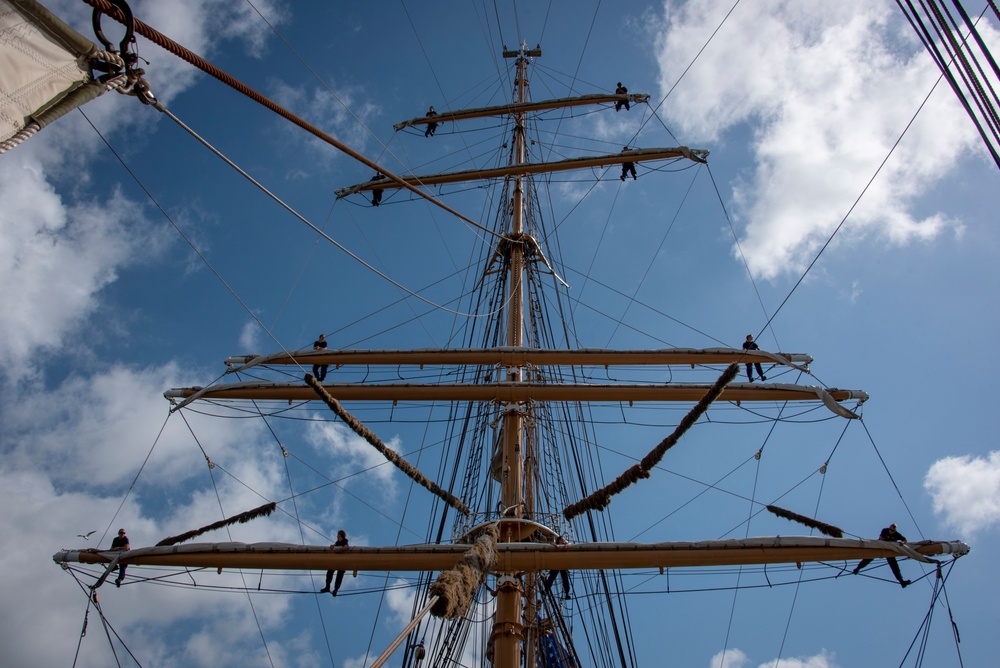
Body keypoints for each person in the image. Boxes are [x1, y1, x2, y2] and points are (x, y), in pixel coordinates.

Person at [852, 523, 912, 587]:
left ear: (895, 531)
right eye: (890, 529)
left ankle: (901, 581)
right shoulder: (885, 530)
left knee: (894, 566)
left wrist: (902, 542)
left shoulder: (897, 534)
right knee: (868, 558)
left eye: (892, 531)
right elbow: (881, 538)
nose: (890, 531)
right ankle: (857, 568)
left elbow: (905, 540)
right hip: (880, 546)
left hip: (889, 550)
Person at [320, 530, 349, 596]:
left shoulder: (344, 541)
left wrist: (340, 549)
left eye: (338, 534)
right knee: (329, 573)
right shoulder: (338, 542)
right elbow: (334, 545)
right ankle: (327, 587)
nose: (337, 535)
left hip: (342, 561)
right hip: (336, 560)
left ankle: (335, 589)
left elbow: (347, 547)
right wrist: (332, 546)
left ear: (340, 535)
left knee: (339, 575)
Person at [542, 535, 571, 599]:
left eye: (563, 539)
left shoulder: (566, 545)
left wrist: (566, 545)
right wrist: (555, 545)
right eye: (561, 539)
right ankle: (546, 590)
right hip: (556, 563)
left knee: (565, 579)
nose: (563, 540)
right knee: (551, 578)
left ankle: (567, 593)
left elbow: (569, 544)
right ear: (559, 540)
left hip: (562, 564)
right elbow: (551, 544)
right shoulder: (556, 545)